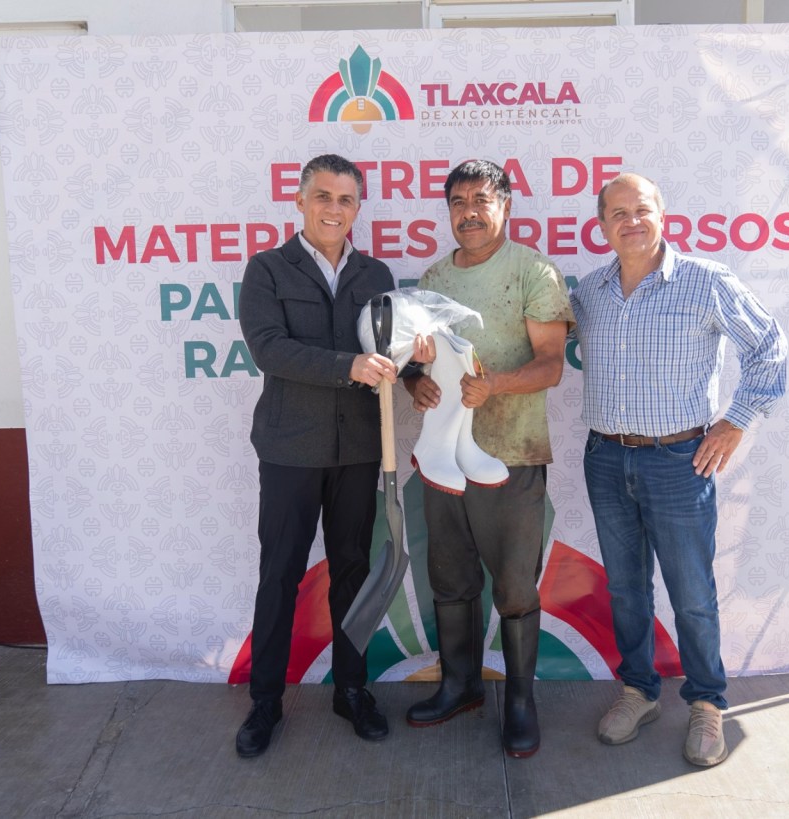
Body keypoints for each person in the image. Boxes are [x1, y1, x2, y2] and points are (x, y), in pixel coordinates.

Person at [570, 173, 787, 767]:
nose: (631, 221)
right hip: (605, 456)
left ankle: (707, 702)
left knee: (691, 592)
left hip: (678, 460)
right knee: (625, 587)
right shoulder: (590, 293)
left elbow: (769, 346)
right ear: (601, 225)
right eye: (617, 213)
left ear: (663, 215)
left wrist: (735, 421)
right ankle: (639, 691)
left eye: (641, 209)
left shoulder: (706, 281)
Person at [236, 154, 428, 757]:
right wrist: (349, 366)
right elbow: (270, 349)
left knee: (352, 572)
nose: (333, 209)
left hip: (360, 450)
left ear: (357, 208)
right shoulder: (267, 269)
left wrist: (418, 363)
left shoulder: (376, 273)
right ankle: (265, 702)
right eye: (323, 196)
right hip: (290, 448)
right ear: (299, 201)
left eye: (346, 200)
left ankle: (352, 689)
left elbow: (390, 352)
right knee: (280, 574)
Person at [404, 159, 574, 758]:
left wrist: (495, 385)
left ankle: (521, 702)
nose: (469, 213)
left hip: (512, 455)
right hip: (444, 461)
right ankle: (460, 685)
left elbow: (551, 364)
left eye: (481, 200)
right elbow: (419, 363)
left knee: (515, 587)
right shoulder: (433, 277)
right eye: (458, 202)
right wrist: (415, 385)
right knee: (450, 579)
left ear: (505, 206)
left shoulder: (533, 270)